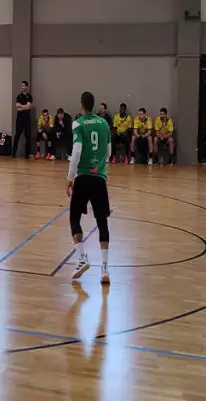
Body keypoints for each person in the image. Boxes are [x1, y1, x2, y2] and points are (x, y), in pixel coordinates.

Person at [65, 91, 112, 285]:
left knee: (74, 217)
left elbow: (76, 151)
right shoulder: (104, 123)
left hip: (83, 177)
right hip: (99, 178)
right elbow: (108, 153)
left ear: (81, 105)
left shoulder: (78, 124)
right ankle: (105, 268)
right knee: (102, 221)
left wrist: (70, 177)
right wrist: (98, 164)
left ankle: (82, 257)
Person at [13, 81, 34, 159]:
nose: (22, 87)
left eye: (24, 86)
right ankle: (14, 152)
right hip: (20, 118)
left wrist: (21, 106)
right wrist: (24, 107)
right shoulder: (19, 96)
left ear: (27, 87)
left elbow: (28, 107)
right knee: (17, 135)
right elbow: (17, 107)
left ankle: (27, 154)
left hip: (27, 119)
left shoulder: (30, 96)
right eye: (22, 86)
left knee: (28, 135)